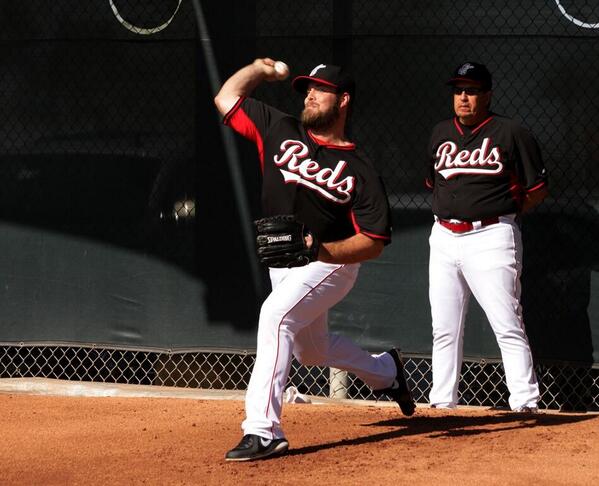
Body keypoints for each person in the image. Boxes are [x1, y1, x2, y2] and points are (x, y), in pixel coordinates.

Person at [214, 58, 415, 461]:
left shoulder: (359, 169)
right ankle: (387, 371)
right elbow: (226, 97)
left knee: (276, 316)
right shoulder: (280, 128)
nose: (309, 93)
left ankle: (264, 430)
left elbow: (374, 241)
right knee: (312, 351)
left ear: (343, 101)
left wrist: (322, 251)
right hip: (283, 259)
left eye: (319, 89)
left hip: (331, 262)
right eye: (307, 87)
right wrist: (260, 69)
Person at [425, 61, 548, 412]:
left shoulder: (511, 133)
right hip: (444, 236)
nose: (463, 97)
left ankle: (525, 402)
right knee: (444, 327)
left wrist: (506, 211)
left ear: (488, 94)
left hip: (492, 234)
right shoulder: (439, 133)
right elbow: (434, 183)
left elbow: (537, 189)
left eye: (472, 90)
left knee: (507, 322)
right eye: (458, 91)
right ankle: (442, 402)